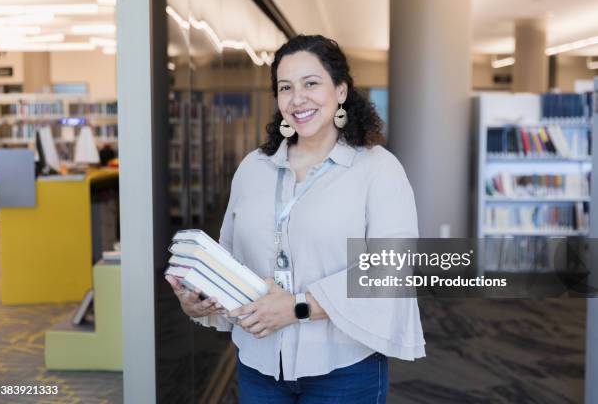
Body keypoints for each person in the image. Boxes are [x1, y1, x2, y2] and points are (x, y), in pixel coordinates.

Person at [166, 34, 425, 403]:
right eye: (285, 87)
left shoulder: (378, 169)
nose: (297, 98)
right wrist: (201, 299)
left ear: (340, 91)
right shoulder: (253, 168)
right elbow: (227, 255)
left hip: (343, 368)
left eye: (311, 84)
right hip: (259, 365)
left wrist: (297, 307)